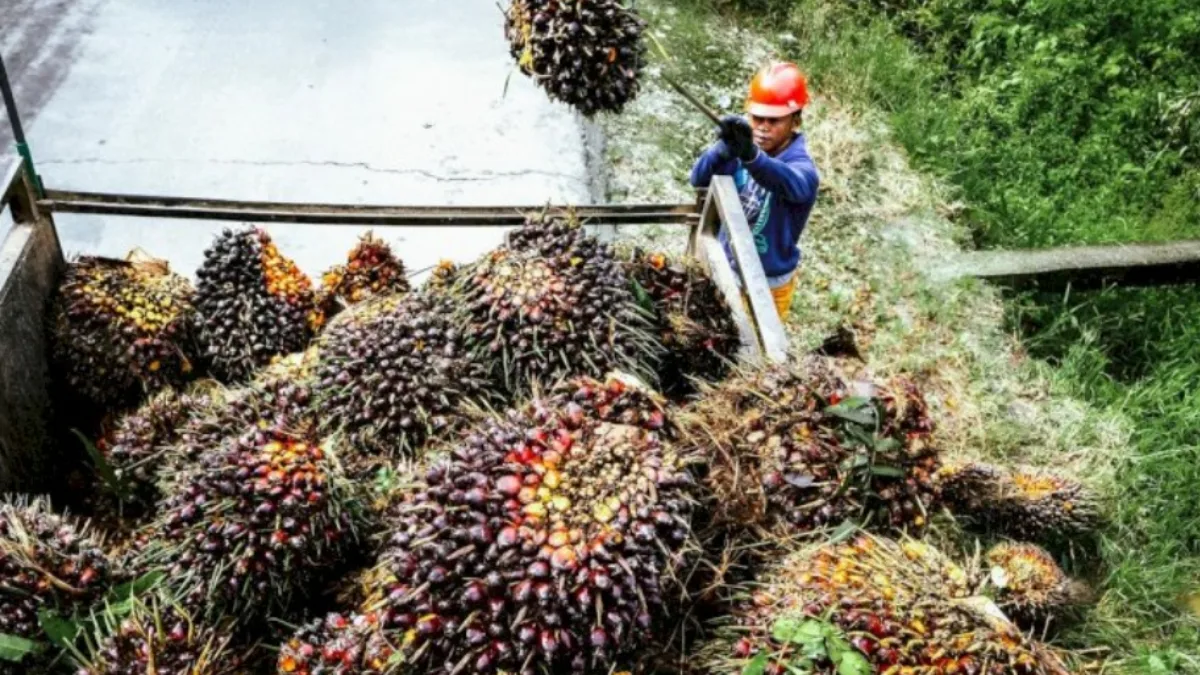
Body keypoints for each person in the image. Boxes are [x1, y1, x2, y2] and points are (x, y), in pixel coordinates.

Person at [689, 61, 820, 320]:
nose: (763, 127)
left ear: (795, 120)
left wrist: (751, 155)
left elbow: (785, 180)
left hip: (768, 286)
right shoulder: (739, 150)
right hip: (728, 270)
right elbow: (698, 179)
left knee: (756, 353)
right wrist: (721, 151)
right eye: (757, 118)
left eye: (774, 120)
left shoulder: (802, 169)